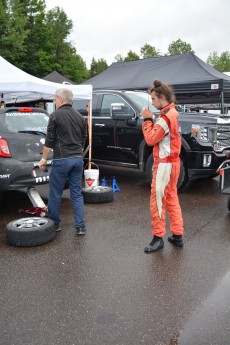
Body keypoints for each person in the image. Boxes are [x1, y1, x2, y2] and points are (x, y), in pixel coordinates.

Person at [141, 80, 184, 253]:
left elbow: (151, 139)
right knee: (172, 198)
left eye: (153, 99)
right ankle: (177, 235)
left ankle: (158, 239)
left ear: (162, 97)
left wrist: (147, 120)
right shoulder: (173, 112)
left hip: (165, 164)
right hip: (174, 163)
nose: (151, 102)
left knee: (158, 201)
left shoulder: (165, 117)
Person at [38, 88, 87, 235]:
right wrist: (77, 152)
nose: (54, 101)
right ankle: (80, 227)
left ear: (60, 99)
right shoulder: (80, 117)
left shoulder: (55, 116)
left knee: (55, 194)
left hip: (62, 160)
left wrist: (43, 159)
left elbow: (49, 141)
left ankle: (55, 224)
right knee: (76, 194)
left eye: (55, 98)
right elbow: (83, 139)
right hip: (77, 159)